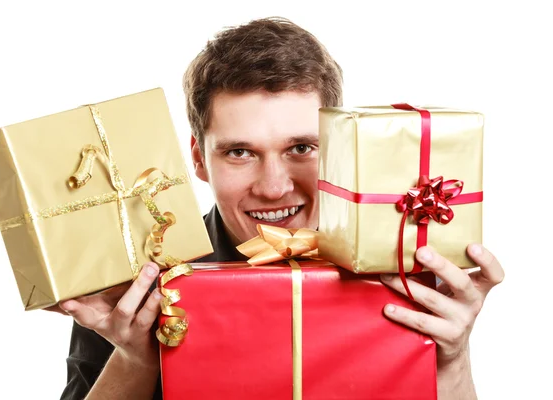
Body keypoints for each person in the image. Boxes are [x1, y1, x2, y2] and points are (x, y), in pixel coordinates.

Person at [57, 17, 504, 400]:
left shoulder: (401, 263)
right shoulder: (138, 278)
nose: (274, 188)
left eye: (302, 147)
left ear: (340, 149)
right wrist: (136, 359)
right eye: (239, 153)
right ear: (198, 160)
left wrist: (452, 359)